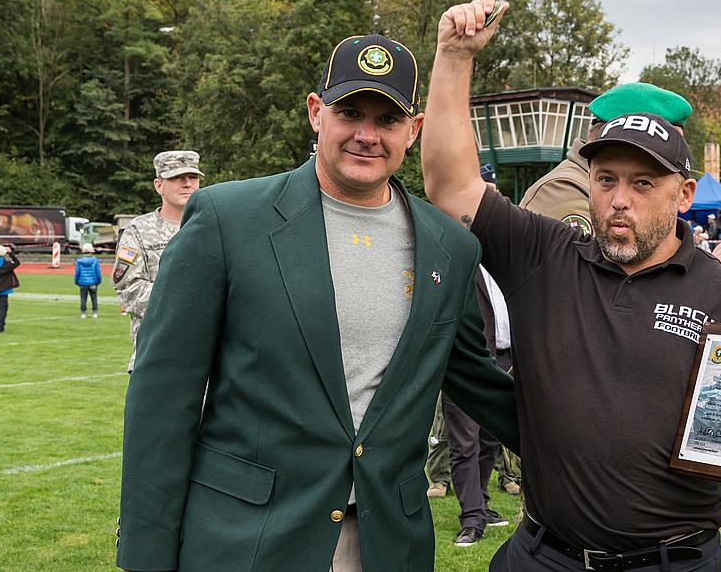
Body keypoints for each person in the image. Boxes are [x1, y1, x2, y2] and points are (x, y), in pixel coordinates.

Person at [421, 0, 721, 571]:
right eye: (606, 179)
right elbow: (450, 185)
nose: (619, 200)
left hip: (673, 562)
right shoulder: (545, 254)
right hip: (545, 555)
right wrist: (454, 56)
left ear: (683, 194)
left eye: (643, 183)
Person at [116, 34, 518, 572]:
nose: (366, 135)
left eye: (388, 119)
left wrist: (611, 439)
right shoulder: (227, 219)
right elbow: (163, 396)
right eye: (350, 112)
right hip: (249, 540)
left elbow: (478, 381)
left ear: (413, 130)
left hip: (384, 542)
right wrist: (147, 554)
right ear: (315, 112)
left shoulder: (451, 245)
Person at [519, 83, 721, 271]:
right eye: (660, 139)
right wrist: (707, 271)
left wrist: (708, 268)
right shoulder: (563, 189)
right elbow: (598, 284)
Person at [443, 166, 513, 547]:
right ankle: (471, 518)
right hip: (467, 364)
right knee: (465, 443)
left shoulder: (506, 254)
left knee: (490, 440)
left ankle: (481, 504)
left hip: (504, 361)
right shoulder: (454, 248)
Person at [112, 150, 204, 372]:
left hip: (208, 360)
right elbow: (128, 290)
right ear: (158, 185)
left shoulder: (215, 226)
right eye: (176, 178)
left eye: (192, 177)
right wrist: (185, 299)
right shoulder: (139, 231)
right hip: (157, 358)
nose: (187, 184)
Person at [0, 244, 19, 332]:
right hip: (4, 290)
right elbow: (17, 262)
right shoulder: (6, 264)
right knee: (2, 308)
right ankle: (0, 326)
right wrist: (11, 253)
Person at [74, 243, 102, 319]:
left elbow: (77, 273)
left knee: (83, 298)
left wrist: (76, 282)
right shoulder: (95, 260)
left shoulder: (79, 261)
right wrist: (98, 281)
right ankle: (95, 313)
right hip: (93, 282)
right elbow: (98, 272)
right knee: (94, 298)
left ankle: (83, 313)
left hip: (82, 283)